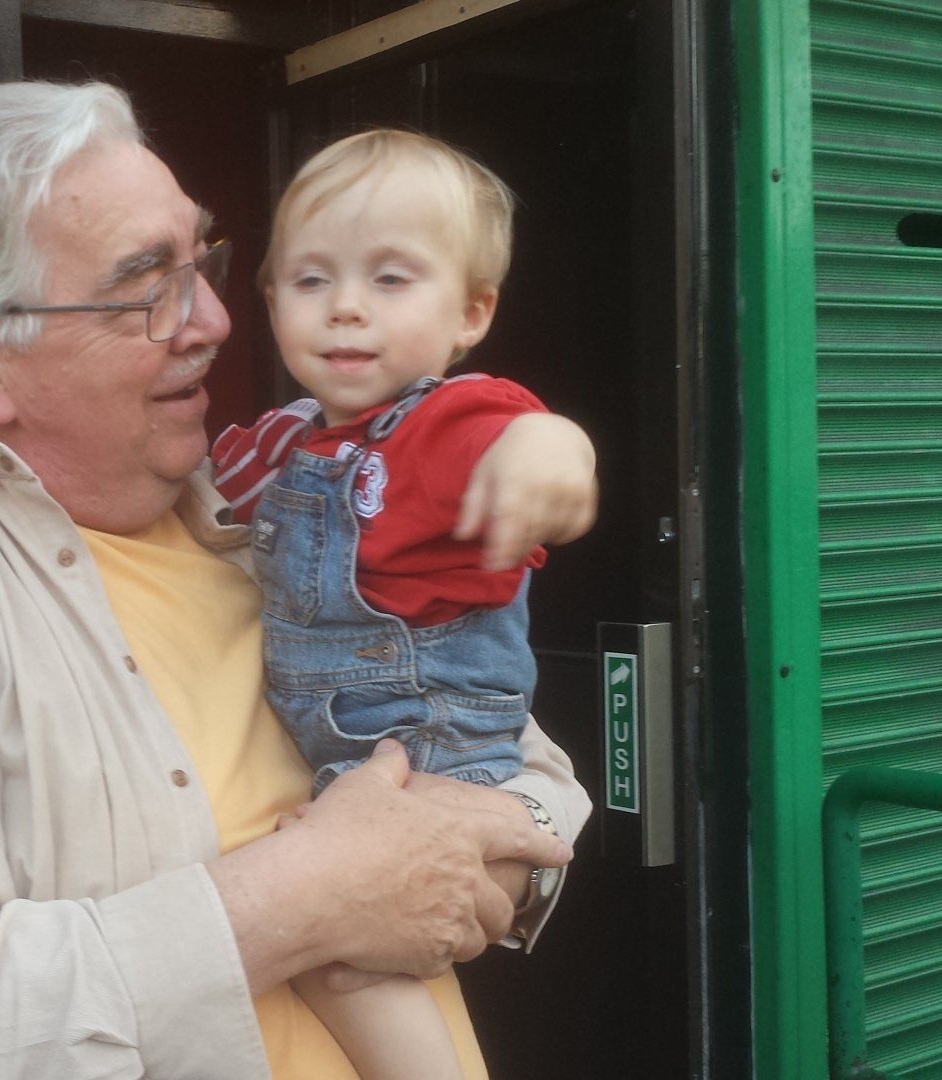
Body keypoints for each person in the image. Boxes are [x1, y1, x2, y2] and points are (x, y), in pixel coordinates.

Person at [0, 82, 595, 1079]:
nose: (214, 319)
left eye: (201, 263)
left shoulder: (261, 506)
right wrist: (309, 896)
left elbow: (525, 768)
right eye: (147, 287)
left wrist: (500, 852)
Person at [211, 129, 565, 1079]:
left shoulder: (446, 423)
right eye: (310, 279)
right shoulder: (289, 438)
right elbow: (207, 504)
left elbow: (523, 436)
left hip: (430, 748)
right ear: (272, 300)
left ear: (472, 311)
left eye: (391, 279)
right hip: (351, 752)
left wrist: (553, 458)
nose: (345, 307)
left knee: (340, 955)